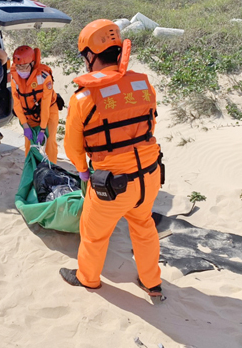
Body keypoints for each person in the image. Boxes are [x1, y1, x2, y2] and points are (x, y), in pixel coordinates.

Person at [59, 19, 164, 298]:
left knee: (94, 233)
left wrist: (82, 171)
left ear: (90, 55)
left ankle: (88, 278)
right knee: (143, 227)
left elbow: (72, 146)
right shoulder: (143, 85)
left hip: (112, 185)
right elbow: (149, 126)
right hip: (150, 176)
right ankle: (151, 282)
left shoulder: (83, 98)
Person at [11, 46, 59, 164]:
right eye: (18, 67)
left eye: (24, 66)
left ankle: (52, 168)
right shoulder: (14, 79)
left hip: (49, 110)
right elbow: (17, 104)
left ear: (32, 63)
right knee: (29, 143)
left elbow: (46, 105)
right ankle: (31, 169)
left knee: (50, 141)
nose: (21, 70)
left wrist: (42, 129)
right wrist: (25, 125)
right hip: (29, 113)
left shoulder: (44, 78)